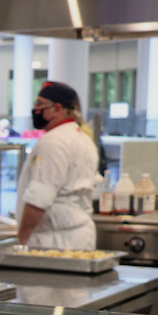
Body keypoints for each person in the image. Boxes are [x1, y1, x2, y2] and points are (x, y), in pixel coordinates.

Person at [15, 81, 99, 250]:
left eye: (40, 104)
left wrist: (21, 239)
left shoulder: (53, 142)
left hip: (54, 242)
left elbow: (40, 198)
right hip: (79, 236)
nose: (36, 109)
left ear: (57, 109)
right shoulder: (82, 137)